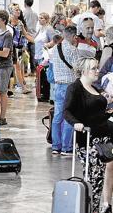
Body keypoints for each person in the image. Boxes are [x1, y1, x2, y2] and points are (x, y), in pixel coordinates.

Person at [64, 57, 113, 213]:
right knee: (95, 176)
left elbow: (98, 111)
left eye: (97, 67)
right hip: (88, 139)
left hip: (105, 136)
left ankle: (101, 207)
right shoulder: (75, 88)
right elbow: (67, 111)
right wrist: (75, 123)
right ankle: (93, 208)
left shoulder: (95, 88)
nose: (97, 70)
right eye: (94, 68)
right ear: (84, 71)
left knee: (102, 174)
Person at [50, 25, 79, 156]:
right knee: (69, 117)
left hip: (57, 85)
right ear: (73, 36)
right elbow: (77, 69)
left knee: (57, 116)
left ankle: (56, 146)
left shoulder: (54, 48)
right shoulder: (73, 50)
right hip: (70, 86)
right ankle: (66, 148)